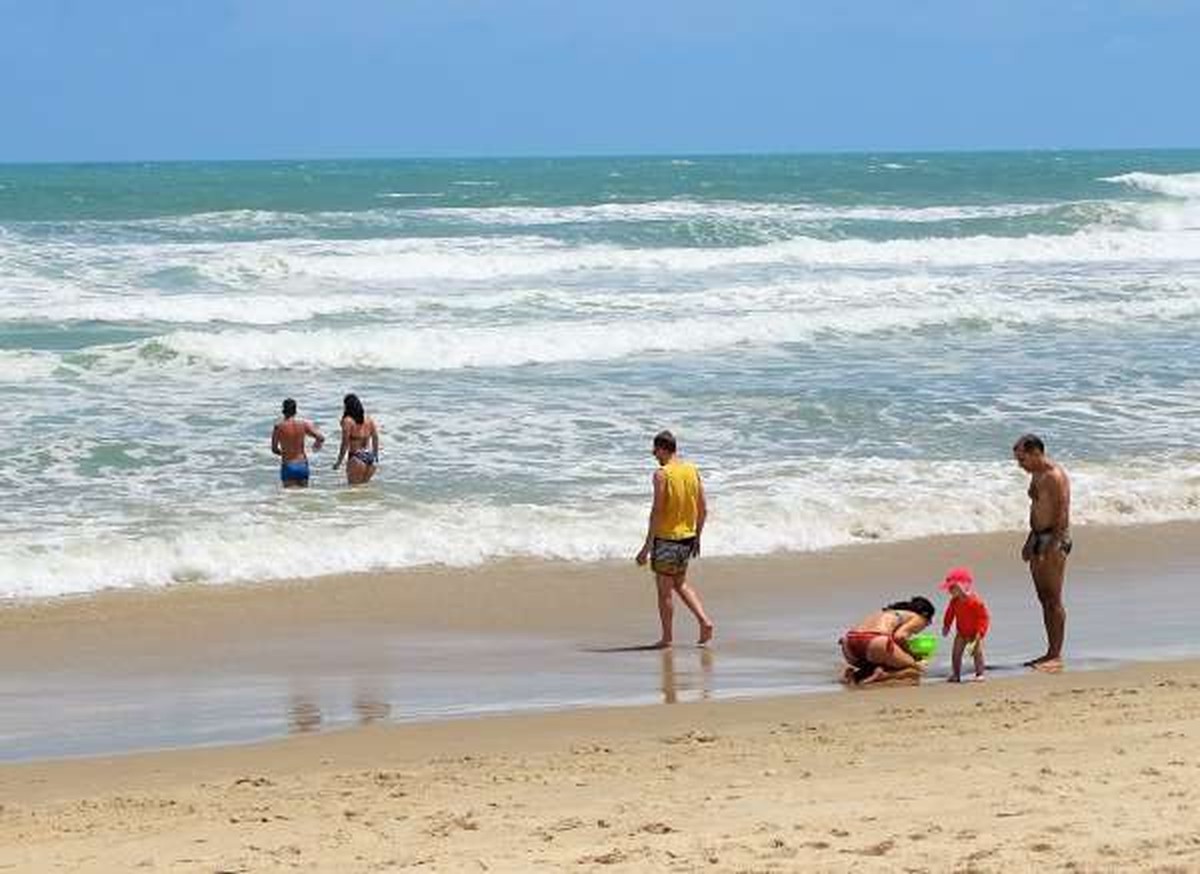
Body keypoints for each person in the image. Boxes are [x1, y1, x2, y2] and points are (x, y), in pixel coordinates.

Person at [634, 430, 714, 648]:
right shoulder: (691, 470)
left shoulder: (662, 474)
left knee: (664, 590)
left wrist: (646, 548)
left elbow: (657, 512)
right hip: (687, 537)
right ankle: (704, 621)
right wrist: (697, 536)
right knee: (679, 583)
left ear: (663, 449)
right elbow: (704, 508)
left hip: (667, 539)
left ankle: (667, 638)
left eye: (655, 449)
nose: (653, 454)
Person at [1013, 433, 1071, 672]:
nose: (1020, 465)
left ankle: (1056, 655)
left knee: (1054, 599)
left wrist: (1052, 544)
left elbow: (1061, 512)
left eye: (1022, 459)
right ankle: (1049, 652)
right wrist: (1031, 540)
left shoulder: (1054, 476)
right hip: (1038, 537)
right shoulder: (1036, 473)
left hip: (1053, 539)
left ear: (1036, 453)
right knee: (1044, 598)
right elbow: (1037, 508)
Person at [839, 596, 936, 686]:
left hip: (848, 643)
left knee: (879, 664)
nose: (927, 624)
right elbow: (900, 636)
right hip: (875, 640)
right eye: (929, 622)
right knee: (915, 670)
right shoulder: (918, 617)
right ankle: (884, 675)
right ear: (925, 614)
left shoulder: (886, 612)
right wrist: (914, 655)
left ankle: (855, 676)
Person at [940, 566, 990, 683]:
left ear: (962, 586)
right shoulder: (954, 601)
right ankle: (956, 674)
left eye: (952, 588)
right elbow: (949, 614)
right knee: (956, 653)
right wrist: (946, 625)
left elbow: (983, 617)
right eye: (949, 588)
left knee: (977, 653)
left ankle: (980, 673)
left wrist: (980, 633)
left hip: (975, 633)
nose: (949, 591)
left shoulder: (975, 601)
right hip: (961, 632)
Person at [271, 398, 325, 488]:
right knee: (304, 497)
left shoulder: (278, 427)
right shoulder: (303, 424)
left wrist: (284, 452)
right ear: (295, 411)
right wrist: (316, 445)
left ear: (283, 410)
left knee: (290, 498)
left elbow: (274, 449)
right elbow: (321, 438)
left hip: (288, 465)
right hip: (302, 465)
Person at [333, 393, 379, 486]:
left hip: (356, 457)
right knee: (362, 490)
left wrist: (339, 462)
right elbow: (375, 437)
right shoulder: (368, 419)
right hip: (369, 457)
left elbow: (345, 443)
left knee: (353, 489)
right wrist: (375, 455)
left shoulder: (348, 421)